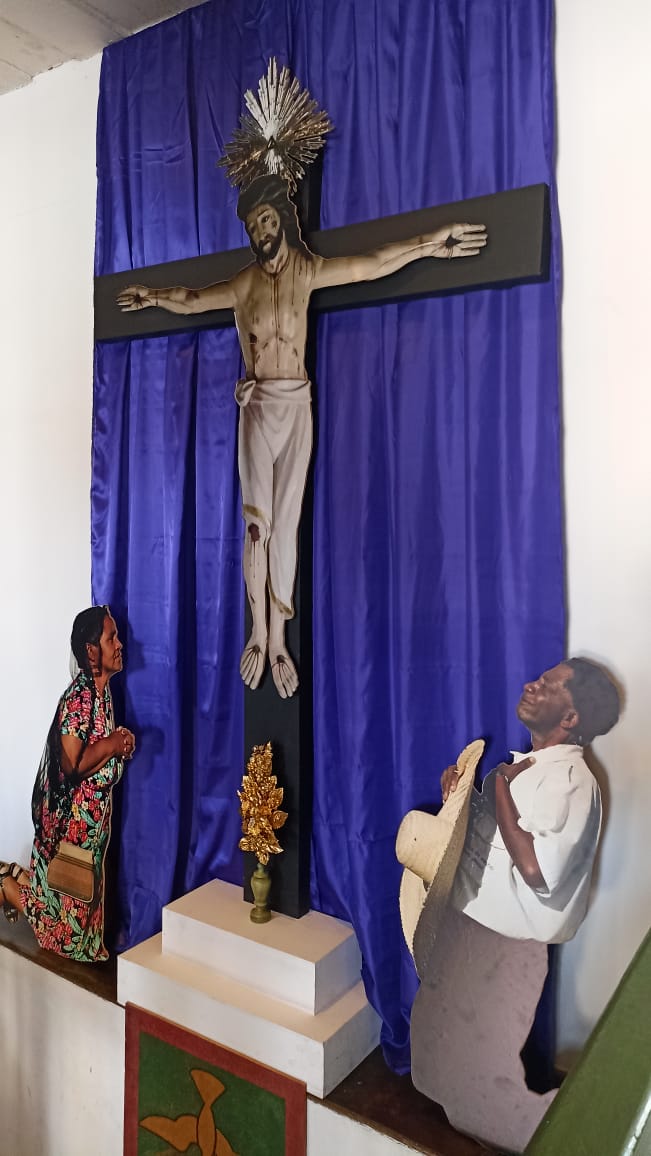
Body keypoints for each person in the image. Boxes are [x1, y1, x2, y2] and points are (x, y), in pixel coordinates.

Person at [117, 175, 487, 698]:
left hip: (296, 407)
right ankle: (257, 631)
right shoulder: (243, 285)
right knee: (256, 527)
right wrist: (151, 296)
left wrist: (430, 244)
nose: (261, 231)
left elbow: (371, 264)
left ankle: (278, 640)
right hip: (256, 408)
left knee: (285, 525)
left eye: (267, 220)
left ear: (283, 222)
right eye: (253, 225)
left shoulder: (308, 272)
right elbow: (191, 298)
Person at [441, 657, 620, 943]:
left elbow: (536, 871)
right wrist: (459, 798)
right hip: (469, 924)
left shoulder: (571, 779)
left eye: (545, 686)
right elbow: (498, 838)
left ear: (569, 719)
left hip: (501, 946)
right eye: (538, 680)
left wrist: (501, 782)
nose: (529, 686)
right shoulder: (533, 767)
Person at [0, 606, 136, 962]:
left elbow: (95, 755)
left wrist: (120, 743)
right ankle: (7, 887)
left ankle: (15, 877)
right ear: (91, 651)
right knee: (62, 930)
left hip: (90, 831)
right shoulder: (80, 699)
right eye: (111, 638)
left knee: (73, 913)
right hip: (69, 830)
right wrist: (112, 745)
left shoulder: (101, 695)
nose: (120, 644)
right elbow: (72, 765)